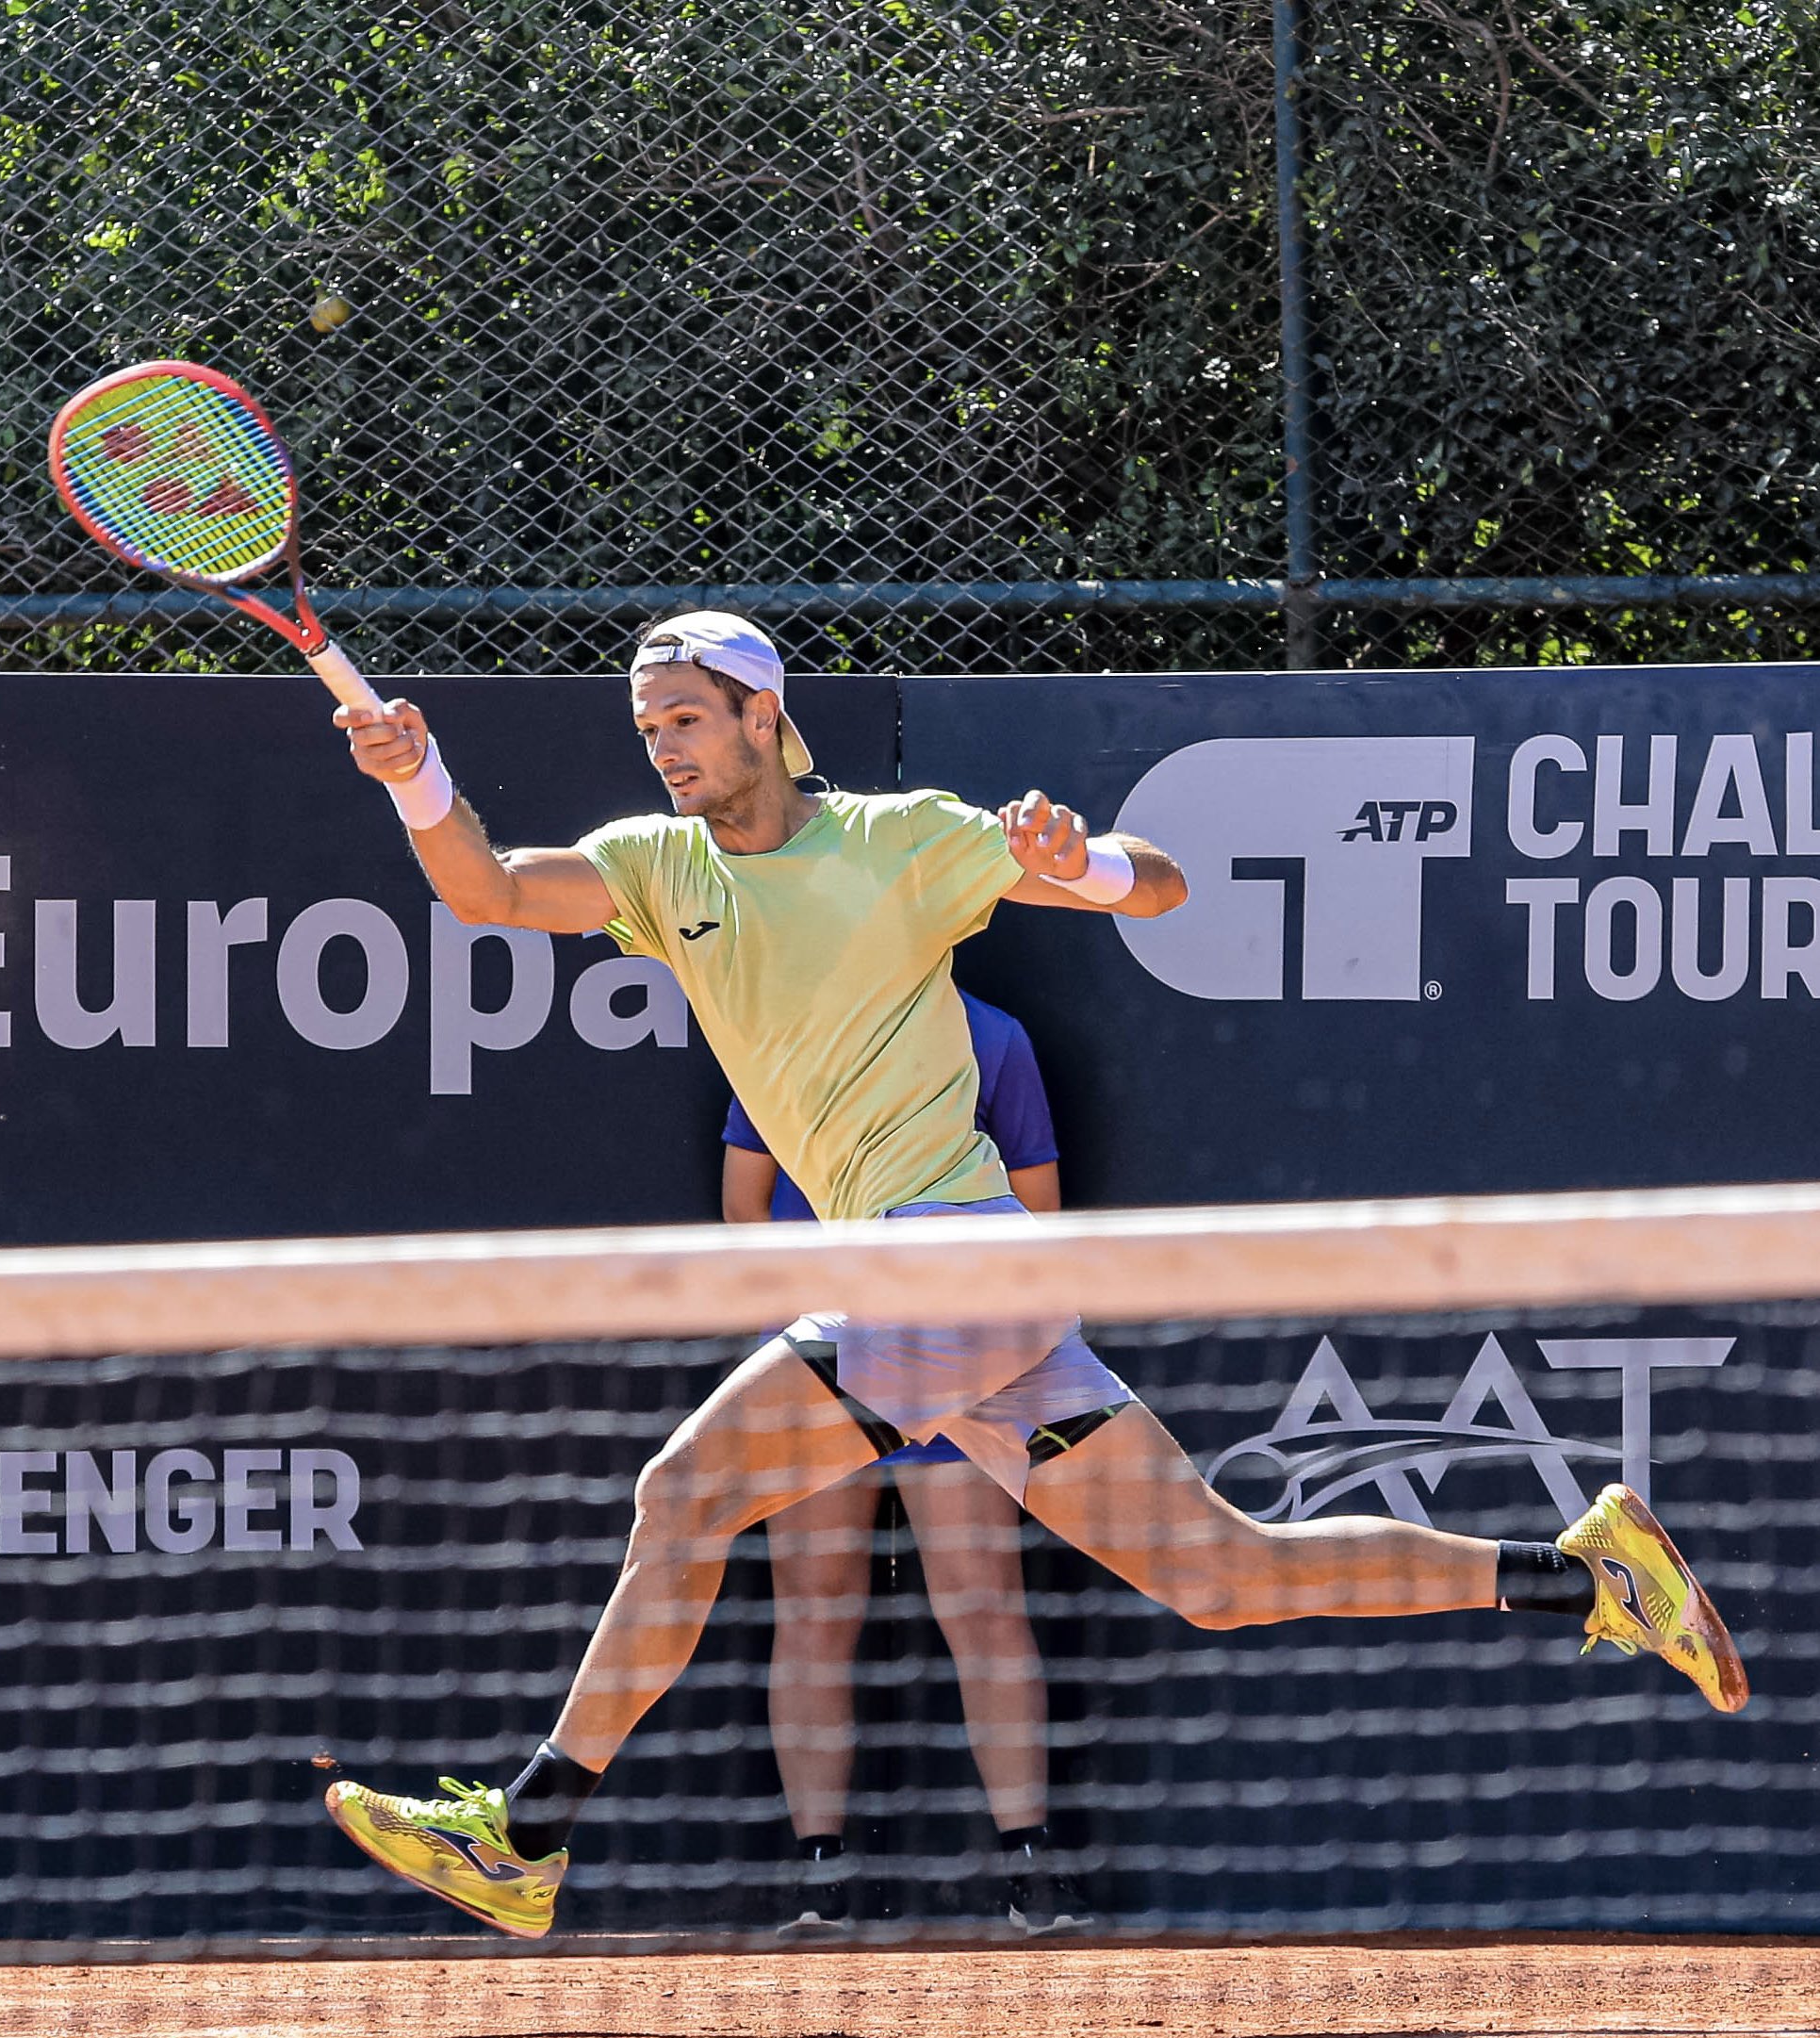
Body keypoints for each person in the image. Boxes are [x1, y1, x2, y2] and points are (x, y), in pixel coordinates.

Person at [323, 610, 1749, 1940]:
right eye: (650, 729)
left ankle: (526, 1832)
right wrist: (414, 778)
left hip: (945, 1257)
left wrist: (1086, 864)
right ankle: (1585, 1577)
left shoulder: (900, 840)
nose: (665, 747)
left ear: (763, 715)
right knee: (1221, 1572)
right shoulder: (655, 863)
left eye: (687, 719)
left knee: (682, 1494)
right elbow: (489, 892)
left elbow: (1165, 883)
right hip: (952, 1287)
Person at [724, 994, 1088, 1932]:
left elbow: (1038, 1216)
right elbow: (744, 1206)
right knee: (814, 1605)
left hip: (954, 1359)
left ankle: (1029, 1868)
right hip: (822, 1361)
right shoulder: (780, 1026)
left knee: (983, 1600)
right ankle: (820, 1877)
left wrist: (950, 1330)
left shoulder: (995, 1039)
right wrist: (825, 1322)